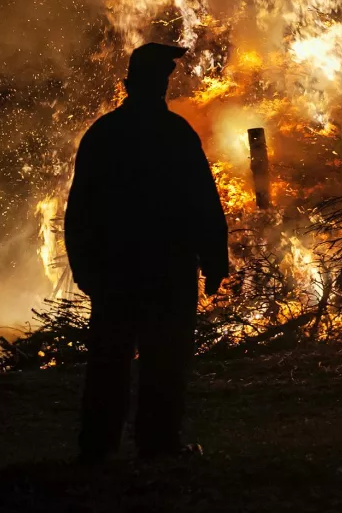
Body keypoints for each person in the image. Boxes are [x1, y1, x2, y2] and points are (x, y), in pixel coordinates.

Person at [64, 42, 230, 462]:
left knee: (111, 357)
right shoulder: (174, 134)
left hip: (116, 268)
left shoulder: (104, 133)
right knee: (164, 356)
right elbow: (202, 201)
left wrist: (85, 265)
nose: (164, 83)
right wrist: (213, 258)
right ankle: (157, 443)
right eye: (161, 77)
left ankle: (98, 446)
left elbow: (80, 207)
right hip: (165, 265)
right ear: (152, 85)